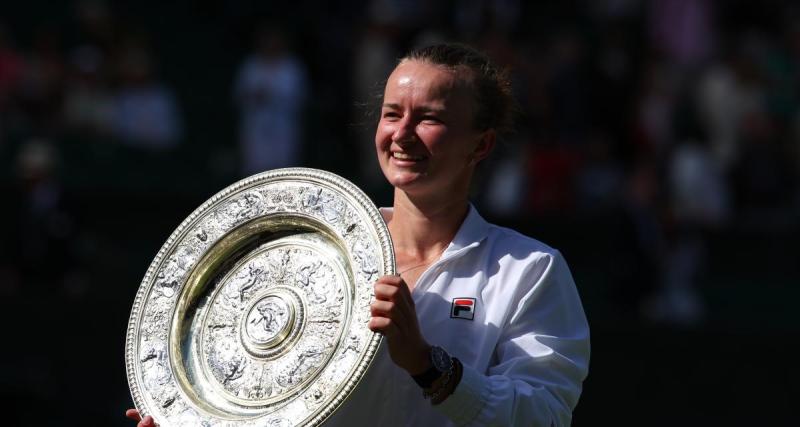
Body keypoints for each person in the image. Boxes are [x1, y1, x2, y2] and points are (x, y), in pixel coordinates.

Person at [127, 43, 590, 426]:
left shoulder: (529, 271)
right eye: (392, 114)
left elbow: (544, 416)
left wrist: (429, 367)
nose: (402, 134)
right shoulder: (317, 249)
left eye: (430, 119)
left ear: (481, 144)